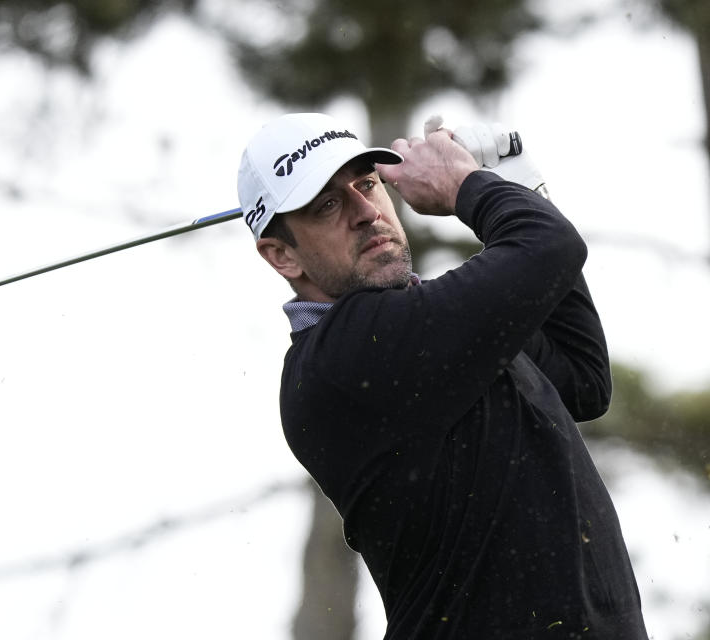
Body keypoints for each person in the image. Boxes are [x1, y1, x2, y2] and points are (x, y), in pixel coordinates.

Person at [237, 112, 648, 639]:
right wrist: (469, 186)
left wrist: (522, 185)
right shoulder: (342, 355)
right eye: (328, 205)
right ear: (282, 255)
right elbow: (547, 248)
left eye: (366, 184)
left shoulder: (435, 331)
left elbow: (581, 379)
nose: (366, 211)